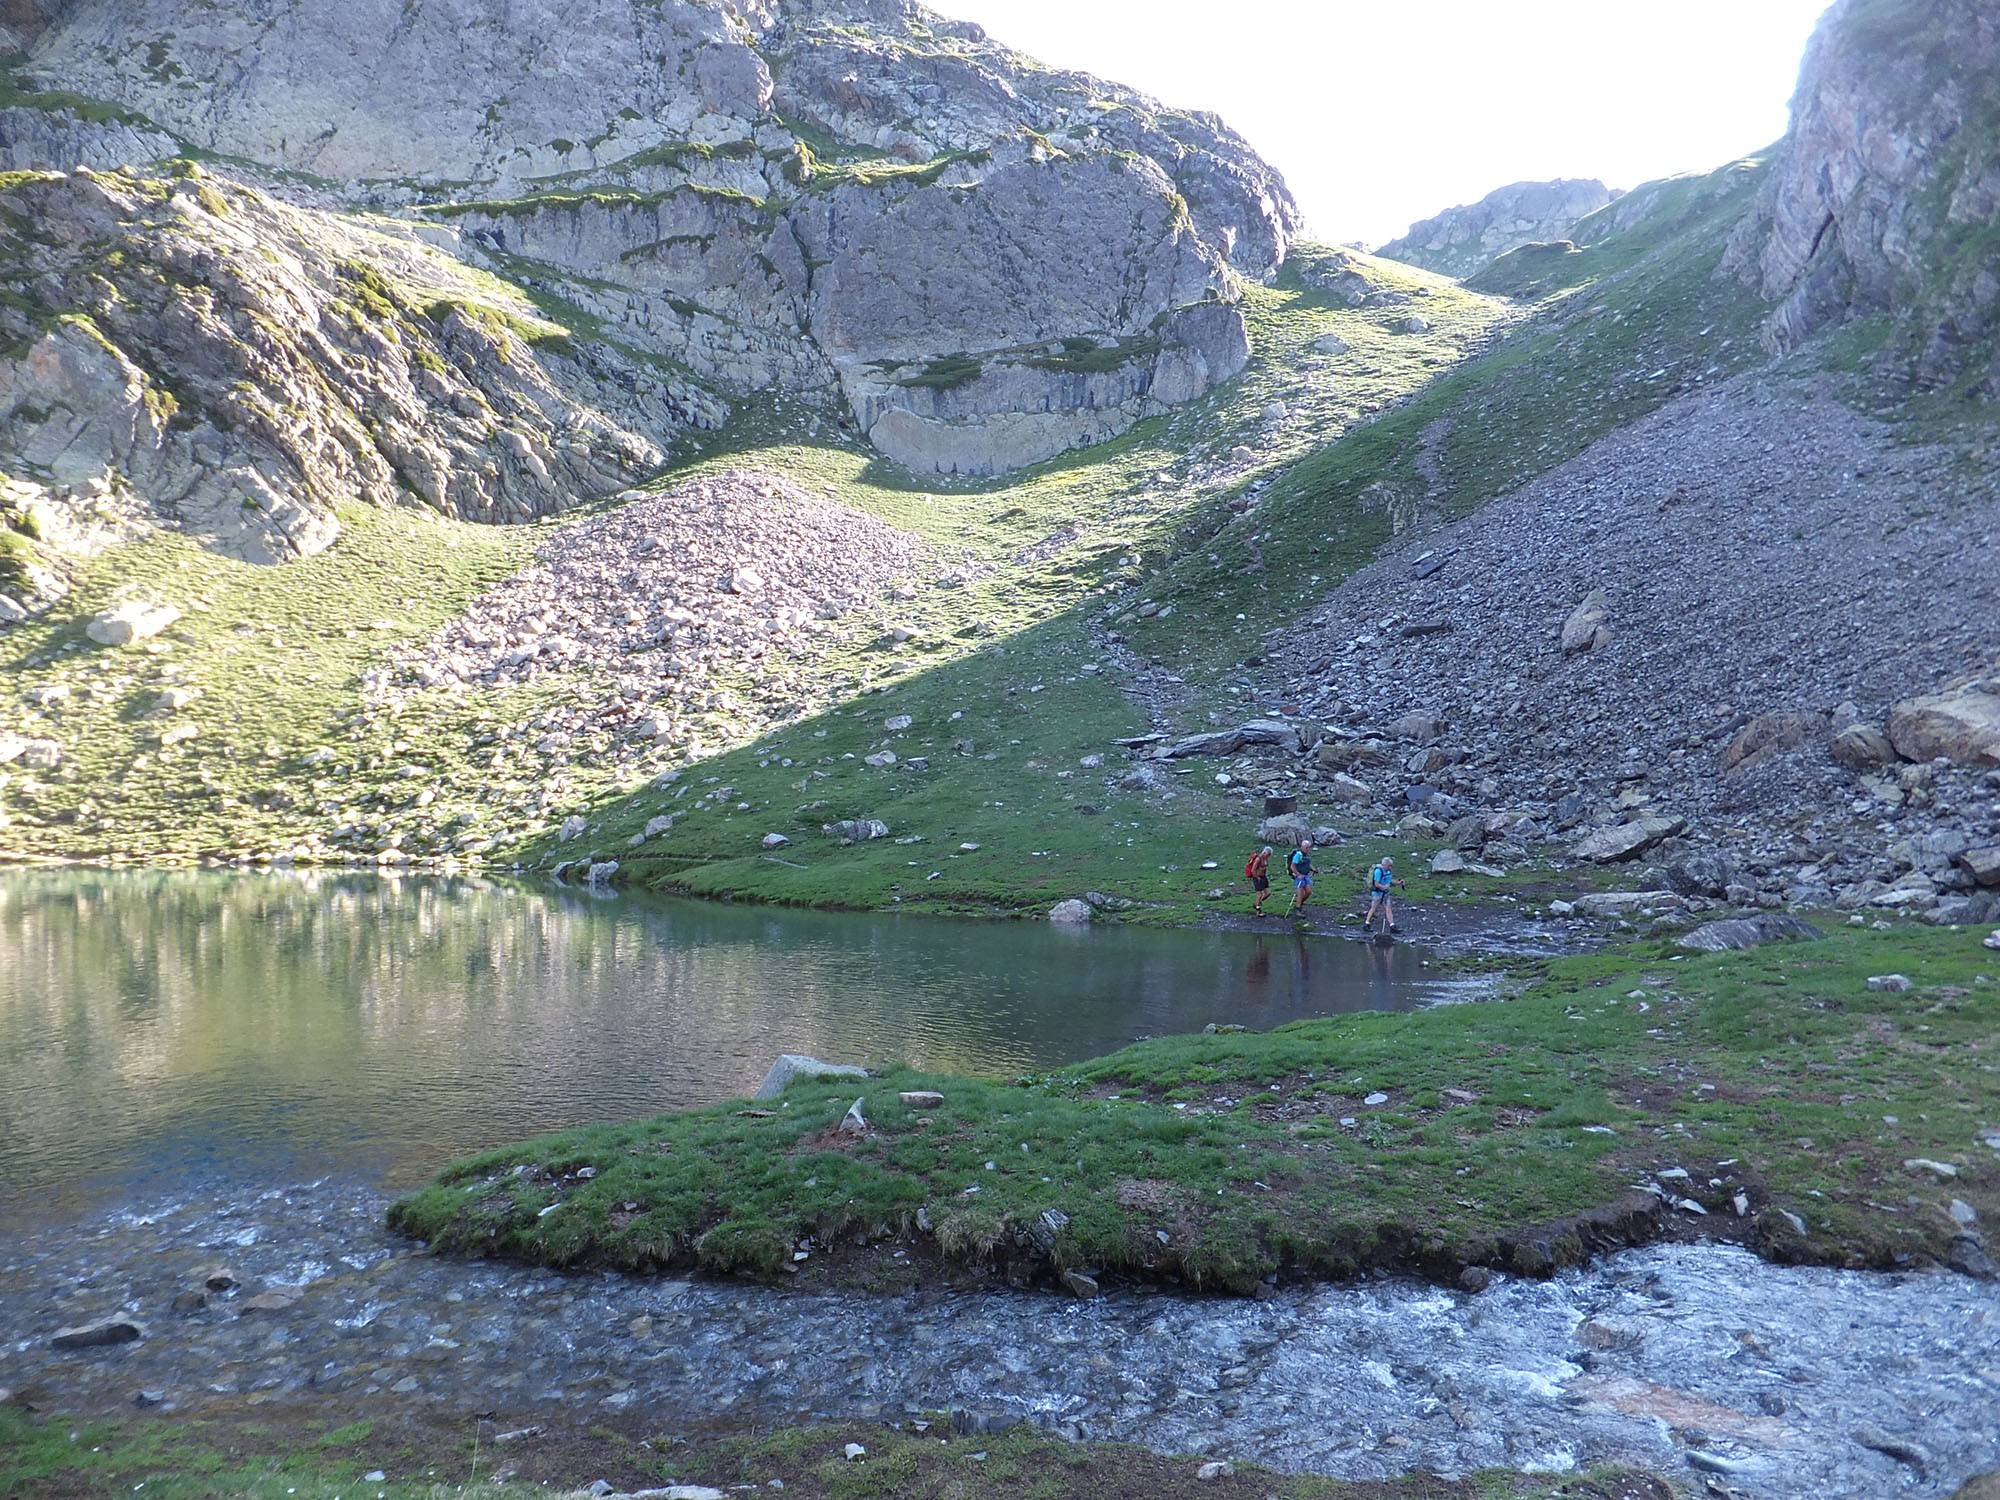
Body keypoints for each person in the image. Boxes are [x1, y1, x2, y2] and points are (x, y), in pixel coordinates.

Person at [1364, 855, 1403, 935]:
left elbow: (1389, 880)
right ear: (1385, 864)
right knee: (1374, 908)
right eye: (1389, 865)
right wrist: (1384, 887)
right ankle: (1367, 924)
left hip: (1386, 893)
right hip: (1377, 893)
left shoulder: (1388, 871)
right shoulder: (1378, 871)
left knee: (1388, 908)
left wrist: (1398, 883)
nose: (1390, 867)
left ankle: (1392, 926)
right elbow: (1376, 884)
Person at [1243, 845, 1274, 915]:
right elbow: (1253, 870)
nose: (1267, 855)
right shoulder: (1258, 859)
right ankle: (1258, 911)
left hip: (1263, 877)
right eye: (1267, 854)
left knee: (1268, 893)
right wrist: (1257, 877)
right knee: (1259, 895)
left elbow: (1265, 868)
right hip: (1257, 878)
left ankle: (1257, 903)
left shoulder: (1265, 859)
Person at [1288, 839, 1314, 915]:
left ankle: (1299, 904)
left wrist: (1313, 869)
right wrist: (1298, 875)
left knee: (1308, 892)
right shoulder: (1298, 855)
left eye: (1309, 847)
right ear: (1302, 847)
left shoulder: (1306, 855)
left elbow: (1308, 864)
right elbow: (1292, 866)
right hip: (1299, 877)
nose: (1308, 849)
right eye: (1306, 847)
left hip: (1305, 876)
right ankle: (1298, 909)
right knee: (1300, 893)